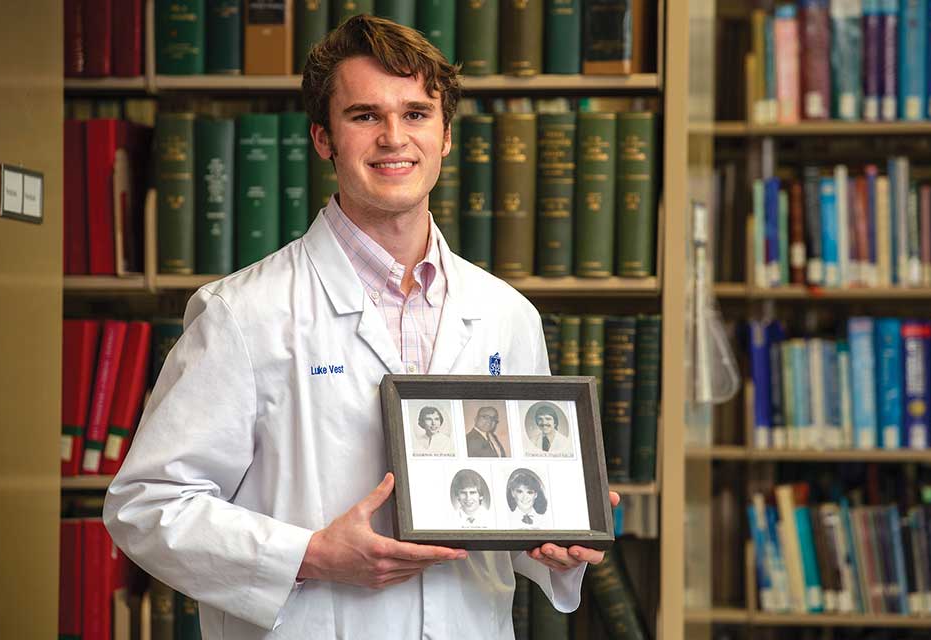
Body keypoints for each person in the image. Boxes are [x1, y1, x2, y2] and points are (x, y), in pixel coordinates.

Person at [104, 15, 616, 640]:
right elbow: (147, 504)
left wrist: (557, 540)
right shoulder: (243, 312)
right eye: (366, 116)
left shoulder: (508, 315)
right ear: (323, 138)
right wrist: (310, 554)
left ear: (447, 135)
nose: (394, 138)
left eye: (418, 114)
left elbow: (504, 515)